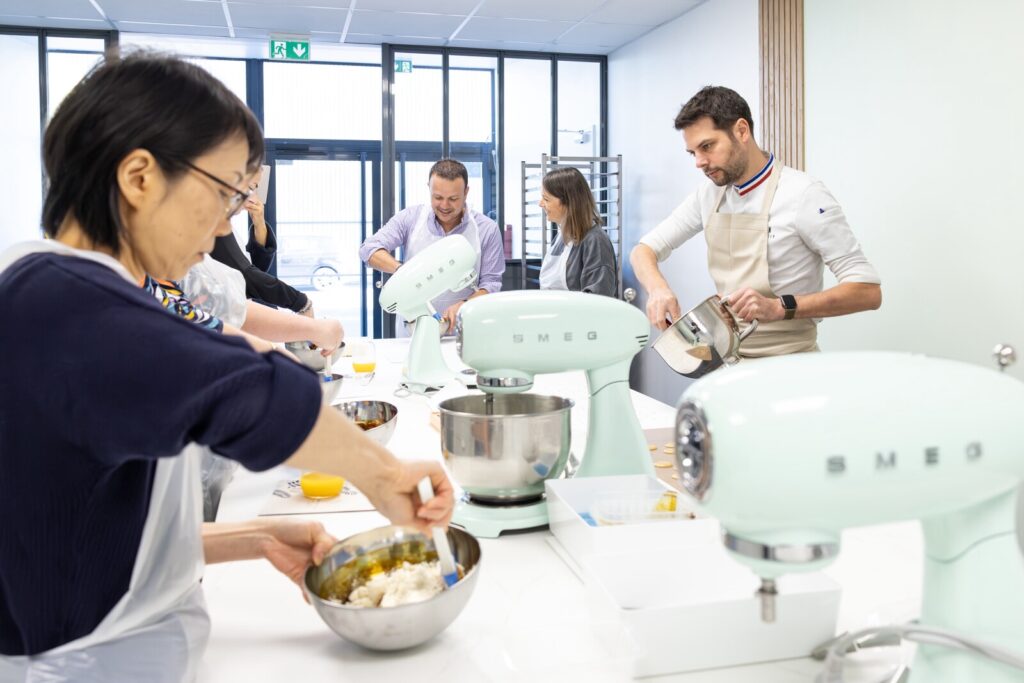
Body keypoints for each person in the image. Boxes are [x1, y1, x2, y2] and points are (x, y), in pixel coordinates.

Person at [0, 51, 453, 682]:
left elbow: (73, 533)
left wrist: (252, 538)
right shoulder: (65, 305)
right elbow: (257, 392)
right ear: (139, 177)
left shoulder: (54, 289)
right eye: (223, 193)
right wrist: (387, 475)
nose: (221, 226)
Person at [630, 86, 882, 357]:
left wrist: (779, 307)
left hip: (791, 364)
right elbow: (643, 250)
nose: (700, 163)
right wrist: (658, 290)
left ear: (741, 131)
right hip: (731, 362)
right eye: (693, 153)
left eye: (707, 146)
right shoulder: (708, 196)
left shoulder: (803, 194)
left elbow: (867, 292)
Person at [359, 159, 505, 335]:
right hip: (413, 331)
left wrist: (465, 305)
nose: (444, 205)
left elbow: (491, 284)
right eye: (438, 197)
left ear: (466, 192)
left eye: (453, 199)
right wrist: (404, 272)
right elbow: (369, 249)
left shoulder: (486, 229)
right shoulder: (410, 219)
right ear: (429, 188)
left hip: (464, 333)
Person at [211, 192, 315, 316]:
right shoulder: (215, 219)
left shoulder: (225, 221)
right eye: (249, 186)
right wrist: (301, 302)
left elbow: (256, 267)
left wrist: (259, 222)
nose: (252, 196)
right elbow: (246, 274)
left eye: (254, 187)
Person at [537, 167, 618, 297]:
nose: (540, 204)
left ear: (568, 202)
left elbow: (599, 300)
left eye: (546, 199)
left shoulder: (595, 241)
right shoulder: (562, 237)